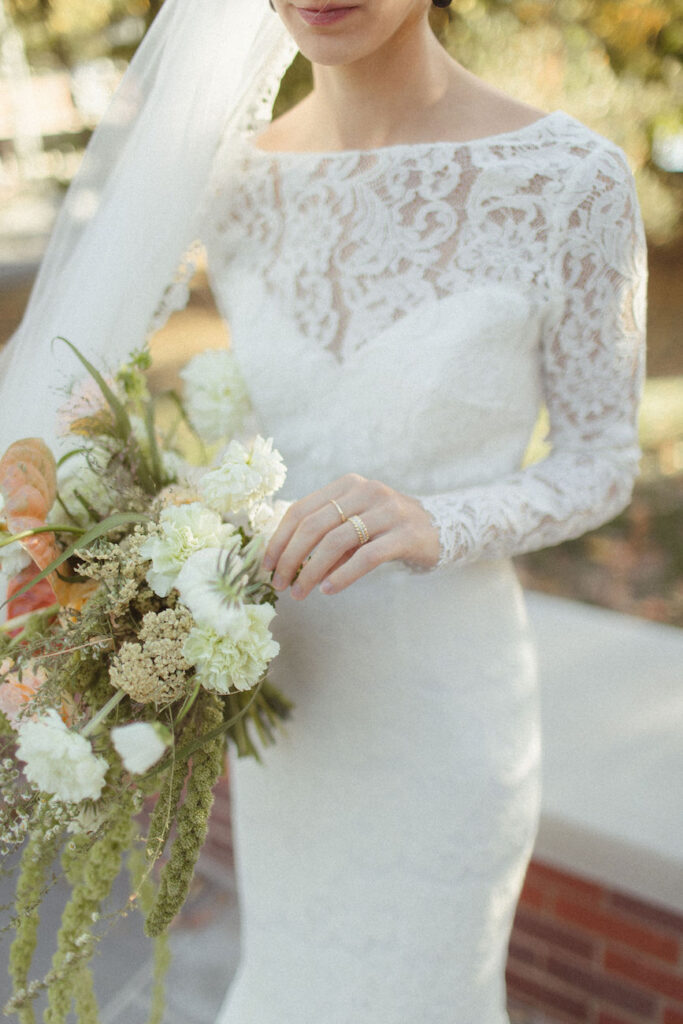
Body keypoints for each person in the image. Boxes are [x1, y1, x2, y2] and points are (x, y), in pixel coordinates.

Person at [0, 1, 646, 1021]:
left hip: (444, 709)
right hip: (286, 705)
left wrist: (445, 521)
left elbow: (603, 460)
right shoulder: (232, 181)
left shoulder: (569, 180)